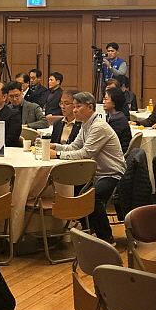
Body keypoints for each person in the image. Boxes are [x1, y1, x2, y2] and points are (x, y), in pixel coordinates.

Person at [53, 92, 125, 241]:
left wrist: (58, 155)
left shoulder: (99, 127)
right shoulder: (86, 124)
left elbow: (85, 153)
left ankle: (106, 238)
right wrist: (55, 147)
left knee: (92, 198)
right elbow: (74, 147)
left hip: (111, 174)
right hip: (95, 174)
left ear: (90, 107)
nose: (74, 110)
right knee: (71, 190)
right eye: (74, 106)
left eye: (78, 106)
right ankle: (88, 228)